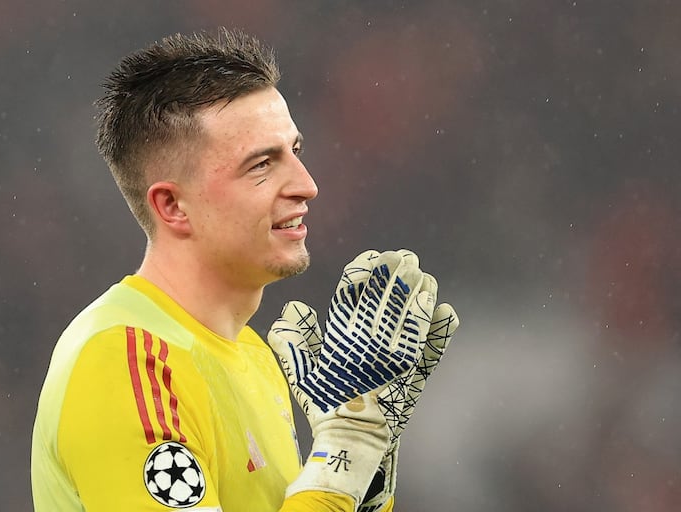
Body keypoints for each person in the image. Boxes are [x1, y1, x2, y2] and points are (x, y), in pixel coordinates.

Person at [31, 28, 458, 512]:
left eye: (294, 152)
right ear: (172, 205)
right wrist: (343, 455)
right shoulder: (126, 362)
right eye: (261, 164)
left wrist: (365, 477)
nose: (307, 185)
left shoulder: (252, 356)